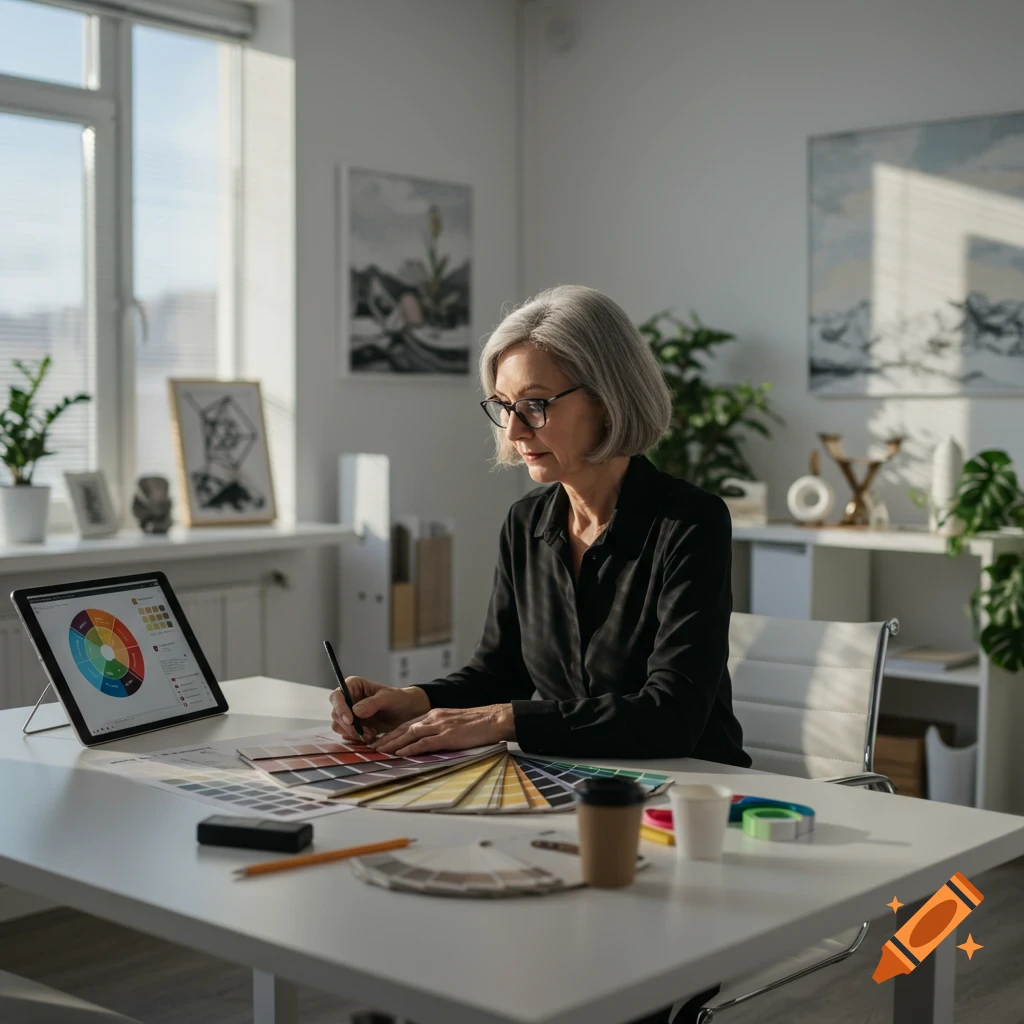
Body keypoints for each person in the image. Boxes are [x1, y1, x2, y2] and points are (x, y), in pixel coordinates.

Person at [330, 284, 750, 771]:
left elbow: (672, 716)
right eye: (504, 406)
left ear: (609, 398)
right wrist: (413, 699)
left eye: (535, 404)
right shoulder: (525, 522)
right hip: (572, 778)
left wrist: (505, 719)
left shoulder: (690, 522)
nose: (513, 431)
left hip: (693, 791)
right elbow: (498, 673)